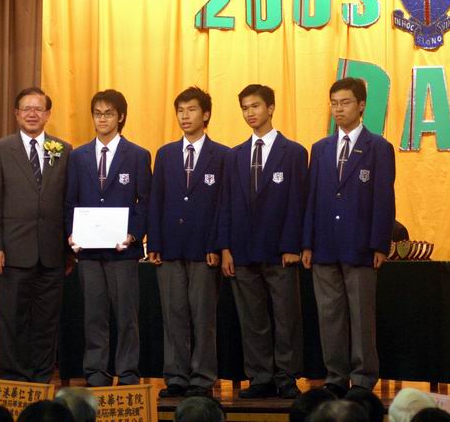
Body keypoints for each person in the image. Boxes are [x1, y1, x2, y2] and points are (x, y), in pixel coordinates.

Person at [302, 77, 396, 397]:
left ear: (361, 105)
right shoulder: (321, 149)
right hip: (324, 245)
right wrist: (307, 243)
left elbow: (384, 199)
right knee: (330, 315)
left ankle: (364, 376)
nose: (338, 109)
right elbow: (311, 199)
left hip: (360, 246)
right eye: (334, 103)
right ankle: (335, 375)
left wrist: (379, 244)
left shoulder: (378, 147)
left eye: (345, 103)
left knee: (361, 314)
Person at [216, 84, 307, 399]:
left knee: (286, 317)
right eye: (244, 108)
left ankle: (286, 376)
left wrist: (292, 246)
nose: (250, 113)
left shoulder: (293, 152)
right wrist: (225, 248)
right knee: (252, 318)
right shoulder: (234, 155)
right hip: (242, 250)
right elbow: (225, 203)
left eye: (255, 106)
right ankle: (260, 376)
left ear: (271, 108)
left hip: (279, 250)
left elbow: (298, 203)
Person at [0, 87, 72, 383]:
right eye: (26, 109)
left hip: (52, 253)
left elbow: (68, 202)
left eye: (38, 109)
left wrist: (69, 249)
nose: (32, 114)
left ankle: (41, 378)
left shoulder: (63, 149)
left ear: (48, 114)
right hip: (11, 252)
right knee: (13, 320)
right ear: (17, 114)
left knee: (47, 321)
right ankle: (16, 379)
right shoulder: (0, 149)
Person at [65, 90, 151, 386]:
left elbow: (145, 202)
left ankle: (127, 372)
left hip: (122, 251)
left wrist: (133, 234)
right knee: (94, 315)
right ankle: (96, 371)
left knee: (127, 315)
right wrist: (72, 234)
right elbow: (70, 201)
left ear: (121, 117)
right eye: (98, 114)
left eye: (109, 113)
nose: (102, 119)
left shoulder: (138, 155)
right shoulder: (78, 156)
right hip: (88, 251)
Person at [148, 86, 228, 398]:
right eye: (180, 110)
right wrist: (154, 242)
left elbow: (223, 206)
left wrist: (216, 245)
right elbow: (156, 200)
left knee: (203, 316)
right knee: (174, 315)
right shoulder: (165, 154)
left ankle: (203, 377)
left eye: (191, 109)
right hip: (170, 247)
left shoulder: (222, 155)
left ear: (205, 114)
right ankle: (176, 377)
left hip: (204, 249)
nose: (185, 116)